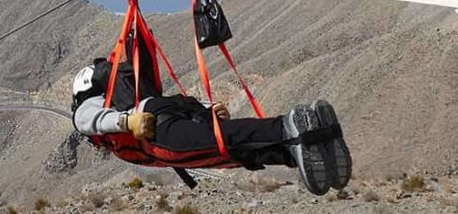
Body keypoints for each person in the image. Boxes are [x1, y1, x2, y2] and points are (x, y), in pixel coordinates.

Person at [71, 57, 353, 196]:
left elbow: (88, 121)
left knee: (224, 143)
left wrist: (126, 121)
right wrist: (205, 109)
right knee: (230, 151)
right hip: (172, 107)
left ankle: (288, 128)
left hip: (156, 130)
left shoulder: (88, 105)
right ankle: (307, 144)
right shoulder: (120, 93)